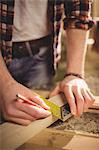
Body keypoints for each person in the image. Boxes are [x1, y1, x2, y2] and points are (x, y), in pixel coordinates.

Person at [0, 0, 95, 125]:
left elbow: (78, 7)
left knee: (39, 120)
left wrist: (75, 74)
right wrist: (4, 84)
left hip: (43, 55)